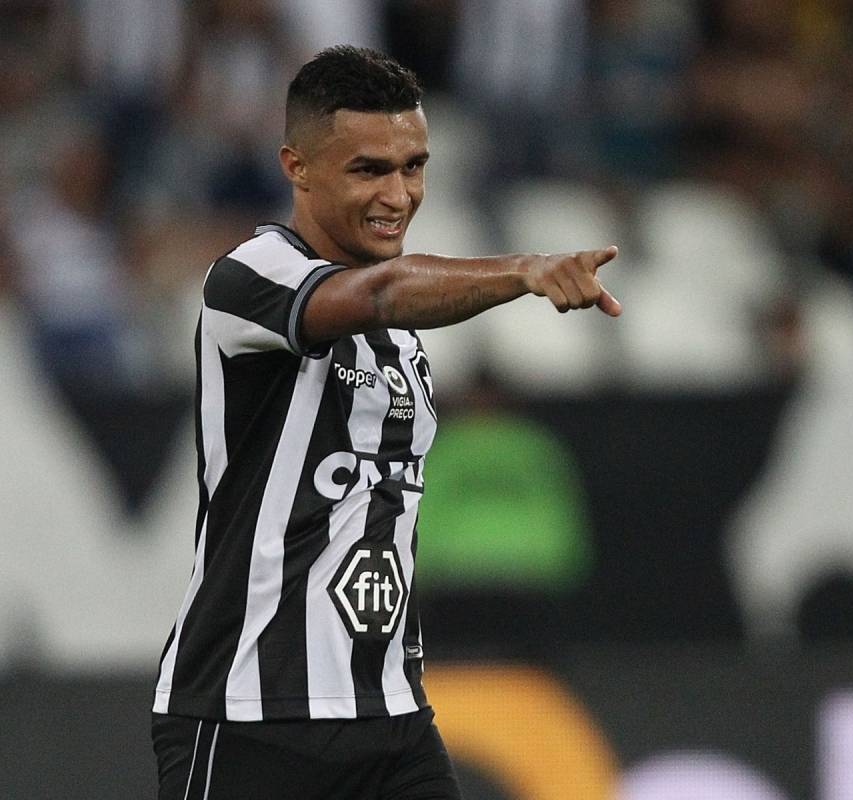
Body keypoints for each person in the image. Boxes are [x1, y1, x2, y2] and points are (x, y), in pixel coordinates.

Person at [150, 45, 620, 799]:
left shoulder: (402, 340)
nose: (398, 195)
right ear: (297, 166)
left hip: (390, 712)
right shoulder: (250, 277)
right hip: (251, 710)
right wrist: (525, 271)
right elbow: (378, 292)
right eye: (369, 170)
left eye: (414, 167)